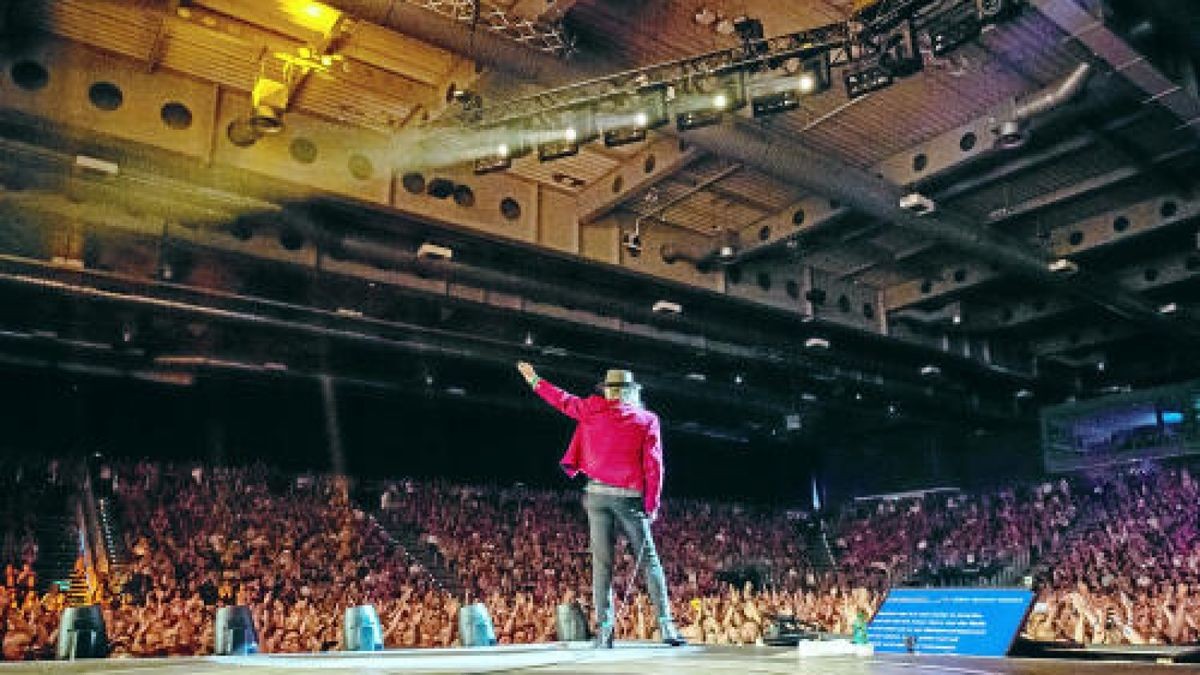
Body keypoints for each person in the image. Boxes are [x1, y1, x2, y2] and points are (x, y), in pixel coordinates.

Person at [516, 361, 685, 647]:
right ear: (630, 393)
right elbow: (655, 466)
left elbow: (562, 400)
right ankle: (667, 627)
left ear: (608, 391)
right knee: (649, 562)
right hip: (629, 499)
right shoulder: (647, 420)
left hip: (595, 496)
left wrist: (534, 380)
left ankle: (605, 632)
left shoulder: (591, 408)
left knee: (602, 565)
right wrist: (652, 504)